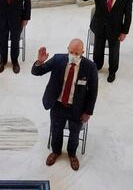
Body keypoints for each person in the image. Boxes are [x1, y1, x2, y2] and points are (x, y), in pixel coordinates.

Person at [32, 39, 97, 171]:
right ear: (67, 49)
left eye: (77, 53)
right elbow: (37, 72)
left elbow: (93, 91)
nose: (73, 55)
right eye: (71, 52)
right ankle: (56, 151)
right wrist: (40, 61)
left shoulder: (90, 67)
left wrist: (88, 112)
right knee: (56, 130)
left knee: (74, 134)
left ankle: (72, 154)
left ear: (82, 52)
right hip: (58, 104)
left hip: (77, 108)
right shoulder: (58, 59)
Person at [77, 0, 132, 82]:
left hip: (115, 29)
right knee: (98, 48)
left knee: (114, 52)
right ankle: (96, 66)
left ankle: (112, 71)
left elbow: (128, 15)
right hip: (99, 26)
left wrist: (124, 32)